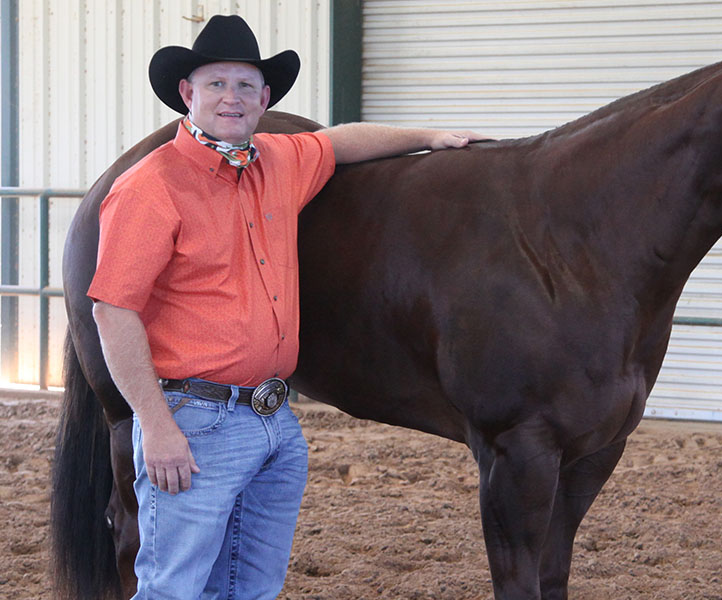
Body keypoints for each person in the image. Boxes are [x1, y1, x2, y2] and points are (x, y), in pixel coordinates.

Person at [87, 14, 487, 599]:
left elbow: (340, 141)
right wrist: (155, 424)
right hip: (193, 422)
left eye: (247, 85)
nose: (233, 97)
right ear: (187, 93)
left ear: (265, 98)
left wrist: (428, 136)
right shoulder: (151, 187)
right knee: (172, 587)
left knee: (251, 587)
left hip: (273, 420)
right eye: (217, 83)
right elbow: (112, 310)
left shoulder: (275, 160)